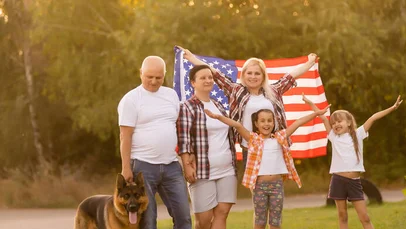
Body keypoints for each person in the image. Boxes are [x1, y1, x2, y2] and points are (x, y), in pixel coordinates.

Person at [179, 47, 317, 165]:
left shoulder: (273, 91)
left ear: (263, 76)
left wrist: (310, 62)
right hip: (249, 148)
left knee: (274, 185)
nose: (253, 76)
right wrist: (191, 57)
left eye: (257, 73)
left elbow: (291, 76)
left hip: (274, 146)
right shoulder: (236, 90)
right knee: (255, 188)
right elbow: (215, 73)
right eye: (249, 73)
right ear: (244, 75)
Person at [204, 100, 330, 229]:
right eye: (262, 121)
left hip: (277, 185)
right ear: (256, 124)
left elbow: (298, 123)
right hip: (260, 186)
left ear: (274, 123)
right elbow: (237, 125)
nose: (266, 124)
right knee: (260, 220)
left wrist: (316, 113)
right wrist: (218, 117)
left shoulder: (279, 137)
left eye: (270, 120)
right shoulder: (253, 139)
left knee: (275, 221)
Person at [304, 94, 403, 229]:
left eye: (339, 121)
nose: (336, 124)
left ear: (349, 122)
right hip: (338, 181)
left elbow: (373, 117)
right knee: (342, 216)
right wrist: (309, 102)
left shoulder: (358, 134)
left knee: (365, 218)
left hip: (354, 182)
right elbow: (321, 116)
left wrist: (392, 107)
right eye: (333, 123)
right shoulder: (333, 137)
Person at [118, 56, 192, 229]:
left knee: (184, 218)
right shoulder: (131, 99)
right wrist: (126, 168)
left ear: (164, 75)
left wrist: (186, 158)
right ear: (141, 73)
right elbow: (125, 136)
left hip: (171, 166)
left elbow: (178, 128)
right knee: (148, 222)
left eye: (158, 77)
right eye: (149, 76)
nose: (153, 81)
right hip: (143, 167)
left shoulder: (171, 95)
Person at [176, 65, 237, 229]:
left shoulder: (219, 105)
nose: (208, 80)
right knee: (204, 219)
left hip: (227, 169)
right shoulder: (187, 107)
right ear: (193, 82)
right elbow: (184, 139)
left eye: (210, 77)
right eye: (203, 78)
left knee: (222, 213)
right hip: (202, 170)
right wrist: (187, 166)